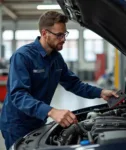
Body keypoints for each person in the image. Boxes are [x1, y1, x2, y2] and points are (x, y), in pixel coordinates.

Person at [0, 11, 118, 150]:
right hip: (17, 124)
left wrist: (101, 92)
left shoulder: (56, 58)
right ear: (45, 33)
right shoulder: (23, 56)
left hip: (38, 120)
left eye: (65, 34)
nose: (63, 39)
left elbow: (74, 84)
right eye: (59, 35)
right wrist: (51, 111)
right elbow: (18, 95)